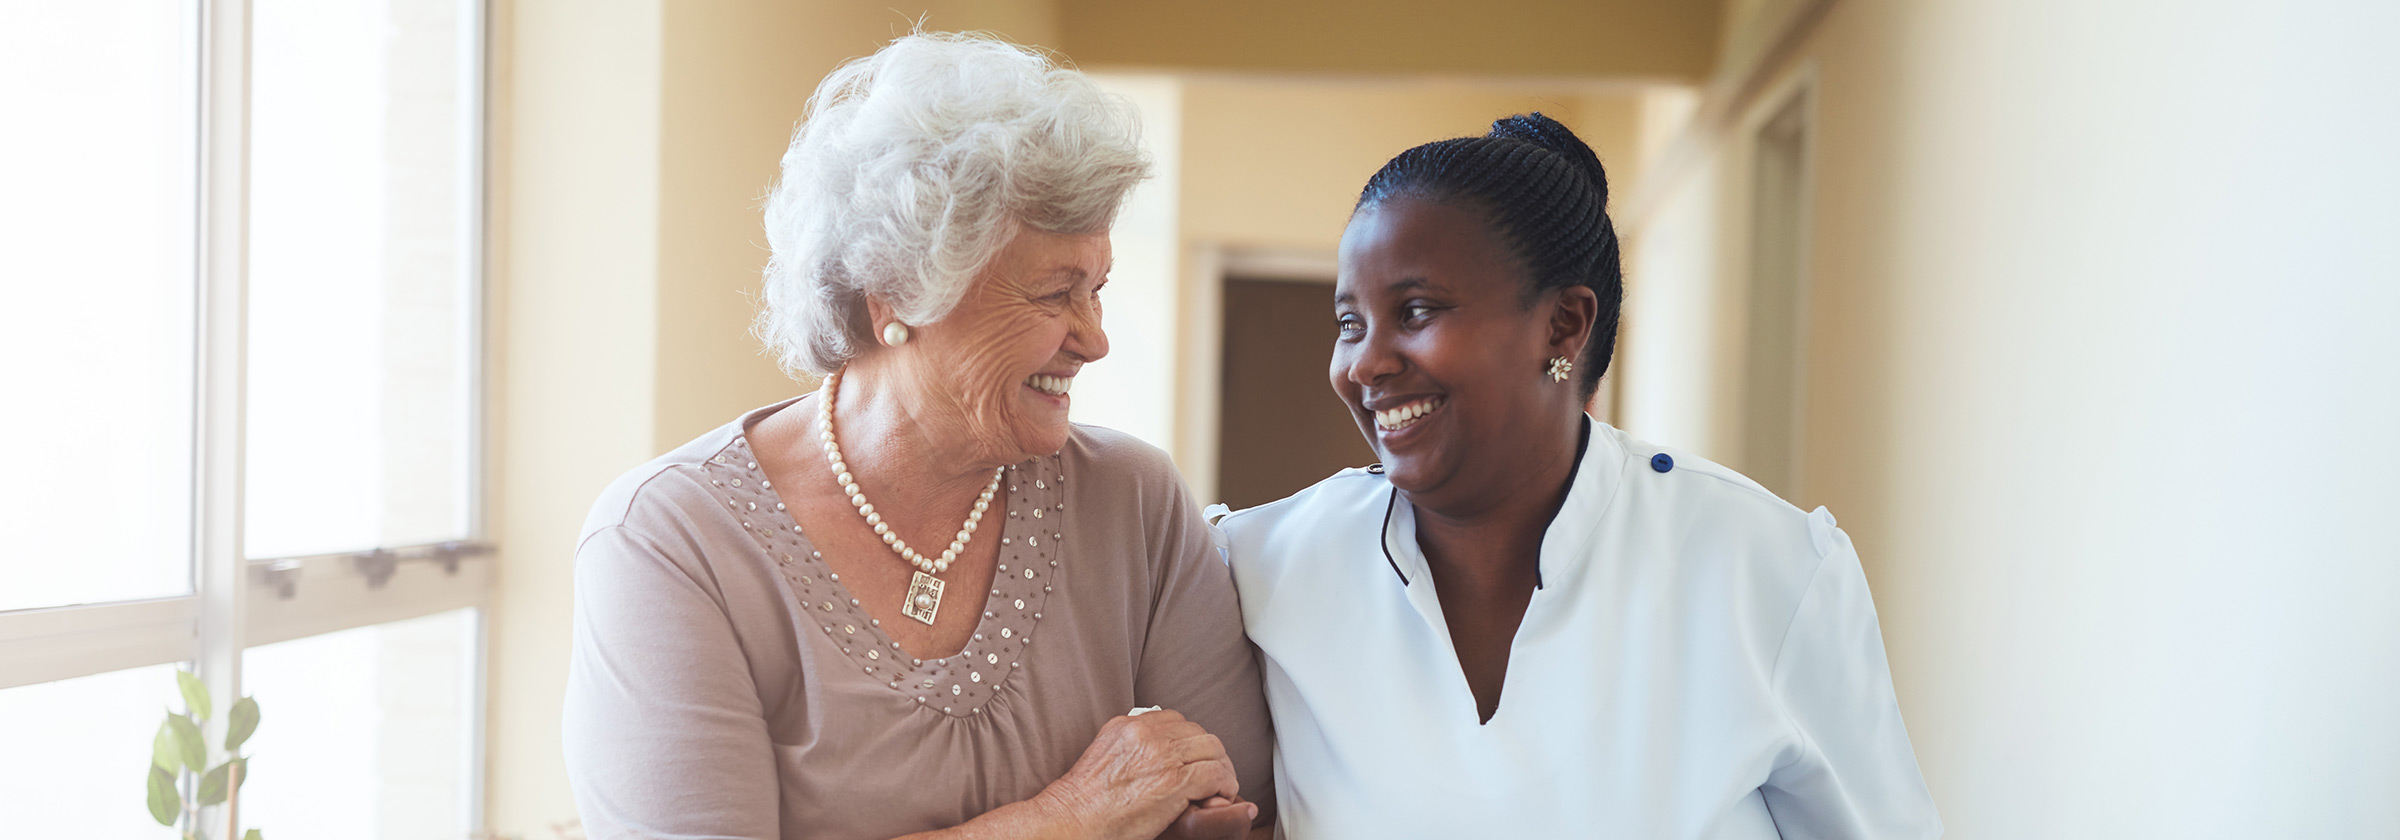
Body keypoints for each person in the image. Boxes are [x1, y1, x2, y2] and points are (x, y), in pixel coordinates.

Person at [563, 33, 1272, 840]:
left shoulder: (1132, 503)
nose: (1094, 338)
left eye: (1097, 289)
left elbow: (1247, 817)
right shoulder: (672, 541)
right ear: (893, 295)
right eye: (1053, 294)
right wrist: (1072, 818)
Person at [1215, 113, 1939, 837]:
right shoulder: (1258, 568)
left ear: (1564, 325)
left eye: (1416, 311)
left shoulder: (1767, 570)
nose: (1366, 364)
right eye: (1350, 324)